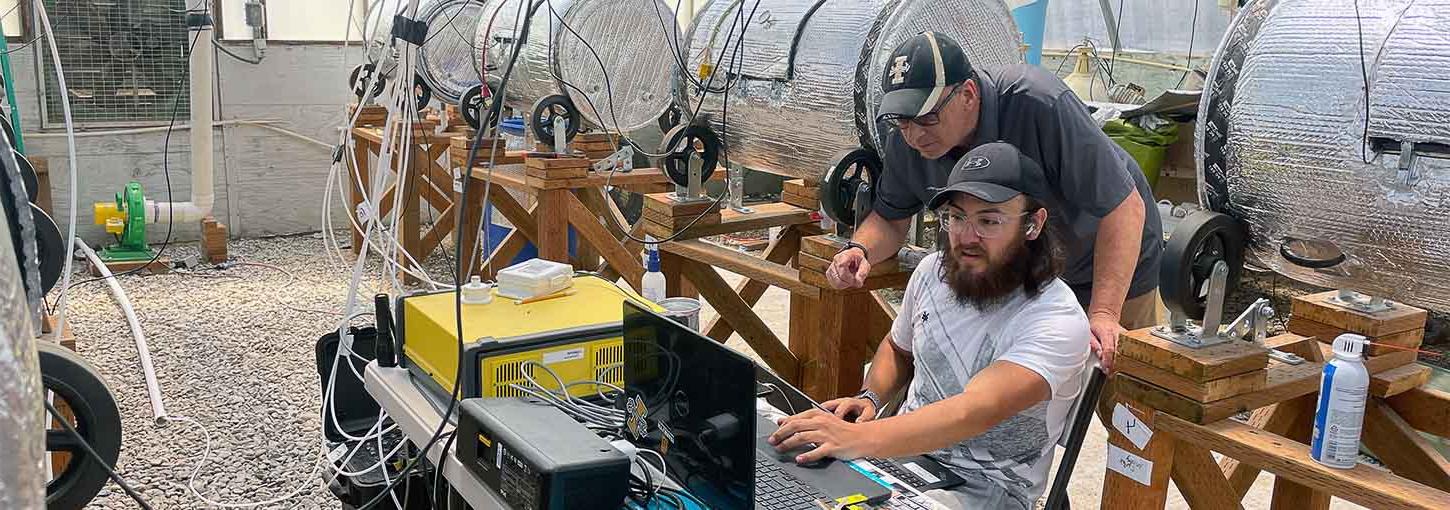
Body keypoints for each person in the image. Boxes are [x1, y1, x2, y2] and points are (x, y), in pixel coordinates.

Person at [771, 143, 1090, 509]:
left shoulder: (1056, 318)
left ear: (1033, 225)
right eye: (956, 217)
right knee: (782, 481)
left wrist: (854, 438)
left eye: (989, 221)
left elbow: (973, 411)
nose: (967, 237)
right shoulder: (933, 272)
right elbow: (898, 348)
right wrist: (870, 397)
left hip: (987, 487)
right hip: (899, 458)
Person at [827, 32, 1161, 370]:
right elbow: (889, 217)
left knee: (1120, 393)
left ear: (968, 95)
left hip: (1104, 261)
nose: (914, 134)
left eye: (928, 117)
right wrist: (858, 250)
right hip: (1020, 276)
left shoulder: (1039, 103)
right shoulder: (909, 140)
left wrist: (1104, 313)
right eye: (903, 120)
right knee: (1020, 393)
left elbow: (1125, 207)